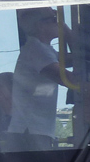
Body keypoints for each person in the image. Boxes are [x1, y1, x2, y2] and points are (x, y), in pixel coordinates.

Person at [6, 8, 74, 148]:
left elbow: (79, 57)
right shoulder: (36, 50)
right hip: (29, 134)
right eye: (54, 19)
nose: (58, 23)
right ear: (40, 25)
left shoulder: (44, 49)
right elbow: (68, 79)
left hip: (33, 131)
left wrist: (64, 27)